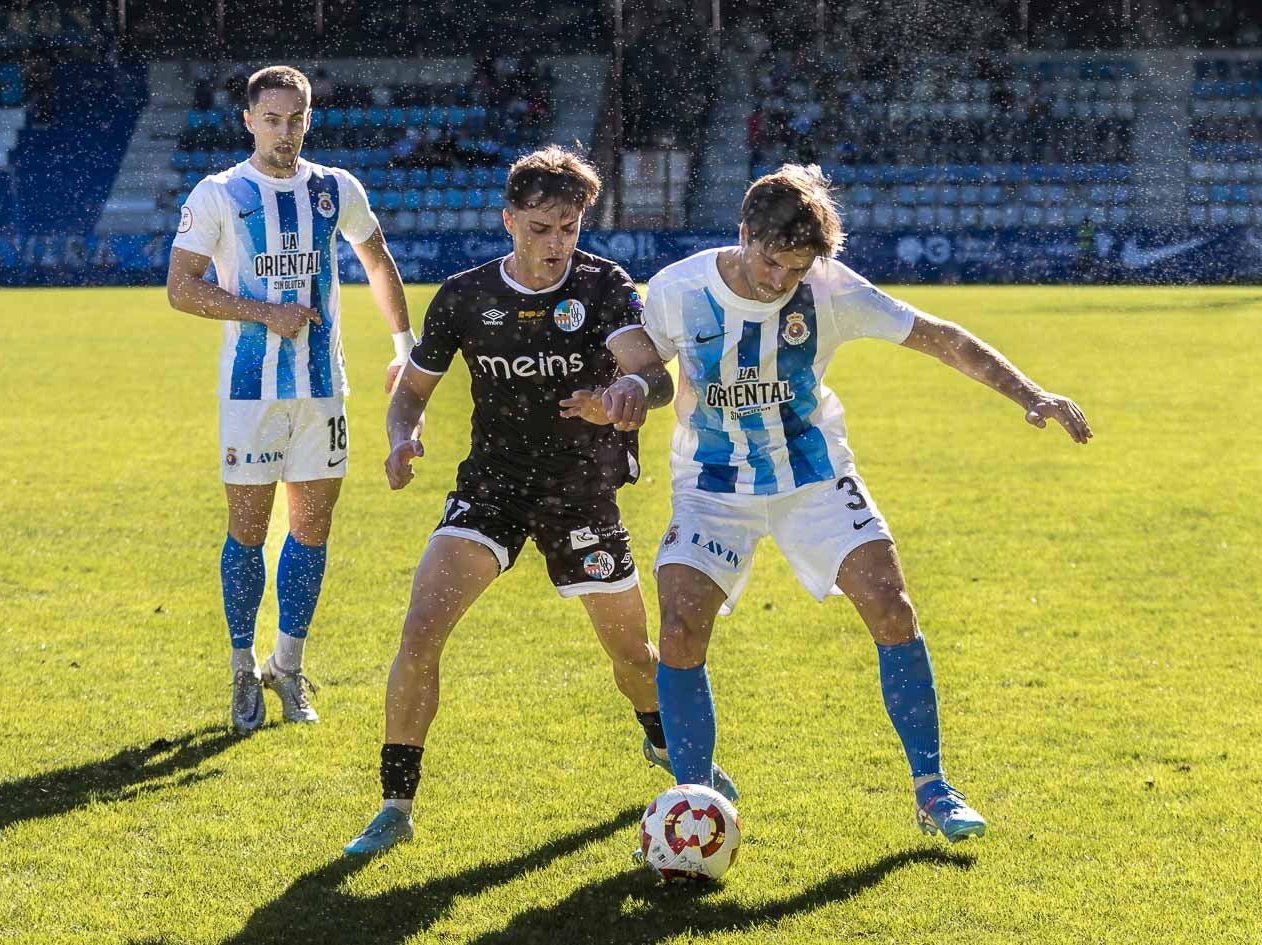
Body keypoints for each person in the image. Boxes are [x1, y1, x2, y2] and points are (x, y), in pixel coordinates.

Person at [642, 164, 1093, 844]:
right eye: (769, 262)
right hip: (711, 481)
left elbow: (941, 337)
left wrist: (1030, 393)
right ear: (744, 235)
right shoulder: (677, 290)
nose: (778, 281)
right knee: (678, 625)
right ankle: (694, 797)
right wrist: (619, 396)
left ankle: (931, 788)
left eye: (794, 269)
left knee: (890, 604)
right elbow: (639, 366)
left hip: (813, 474)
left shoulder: (827, 289)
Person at [343, 146, 736, 855]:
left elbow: (656, 377)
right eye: (539, 228)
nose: (555, 244)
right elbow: (412, 390)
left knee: (633, 659)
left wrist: (625, 392)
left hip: (580, 493)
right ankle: (394, 804)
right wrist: (402, 436)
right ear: (508, 220)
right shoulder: (464, 297)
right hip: (491, 487)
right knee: (420, 628)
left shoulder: (603, 285)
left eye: (568, 227)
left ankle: (663, 746)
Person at [166, 66, 413, 733]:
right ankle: (242, 667)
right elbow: (181, 287)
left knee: (312, 529)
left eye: (295, 119)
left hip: (322, 389)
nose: (284, 132)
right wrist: (261, 311)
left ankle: (288, 664)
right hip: (250, 394)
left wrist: (404, 344)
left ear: (308, 119)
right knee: (247, 532)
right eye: (271, 119)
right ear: (248, 120)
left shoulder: (336, 188)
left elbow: (377, 258)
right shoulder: (219, 194)